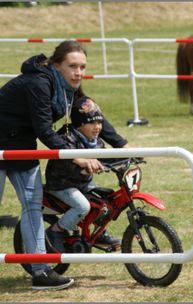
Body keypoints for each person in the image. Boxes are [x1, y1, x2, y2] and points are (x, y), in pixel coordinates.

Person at [0, 40, 128, 290]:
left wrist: (122, 144)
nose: (78, 72)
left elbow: (88, 110)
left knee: (32, 207)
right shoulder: (40, 82)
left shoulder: (68, 88)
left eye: (82, 66)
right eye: (72, 66)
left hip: (21, 145)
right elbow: (45, 130)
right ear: (56, 65)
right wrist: (75, 155)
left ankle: (41, 271)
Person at [45, 96, 121, 252]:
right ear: (79, 124)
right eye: (92, 122)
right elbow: (64, 164)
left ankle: (98, 232)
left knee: (104, 203)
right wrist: (84, 169)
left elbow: (105, 157)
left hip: (83, 184)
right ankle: (56, 231)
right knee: (82, 206)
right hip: (61, 184)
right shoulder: (67, 138)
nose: (97, 127)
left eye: (99, 122)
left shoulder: (96, 141)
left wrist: (127, 156)